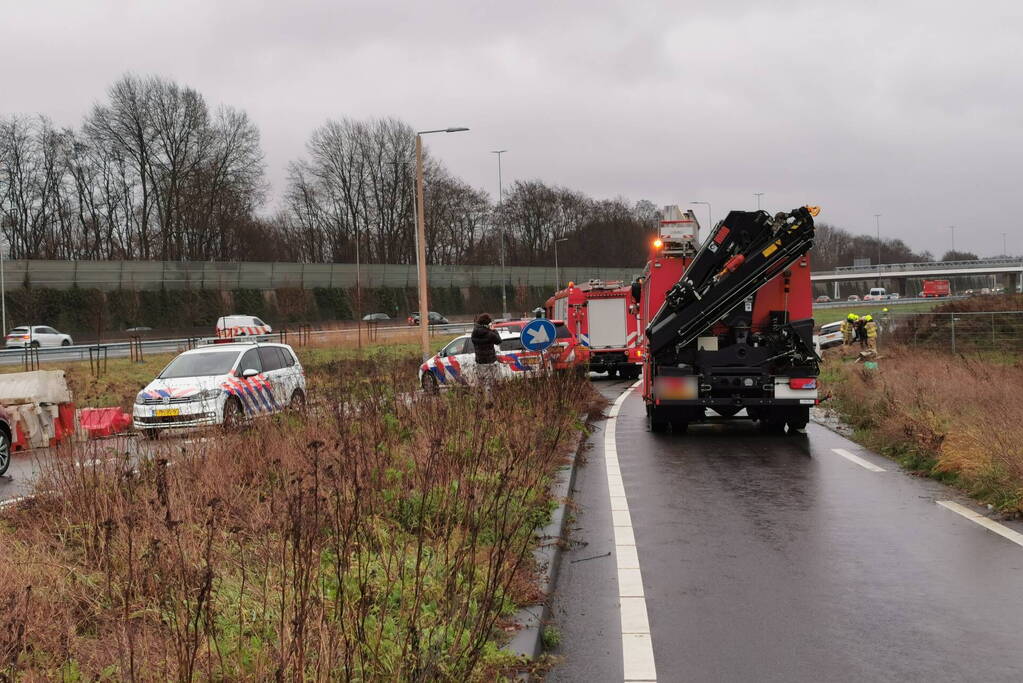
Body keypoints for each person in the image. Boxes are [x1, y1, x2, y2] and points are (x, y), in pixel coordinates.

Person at [471, 313, 502, 392]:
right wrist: (493, 330)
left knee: (483, 382)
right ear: (487, 323)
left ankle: (483, 399)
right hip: (490, 361)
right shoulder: (489, 333)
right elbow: (499, 341)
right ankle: (490, 401)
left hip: (479, 361)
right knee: (492, 383)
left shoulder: (474, 333)